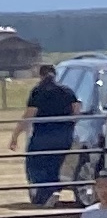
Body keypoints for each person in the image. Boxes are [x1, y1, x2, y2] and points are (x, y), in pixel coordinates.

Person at [24, 66, 75, 210]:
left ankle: (44, 195)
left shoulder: (38, 91)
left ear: (41, 75)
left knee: (36, 165)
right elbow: (76, 111)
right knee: (55, 164)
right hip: (63, 136)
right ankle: (53, 191)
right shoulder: (67, 91)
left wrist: (16, 135)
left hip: (42, 136)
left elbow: (30, 114)